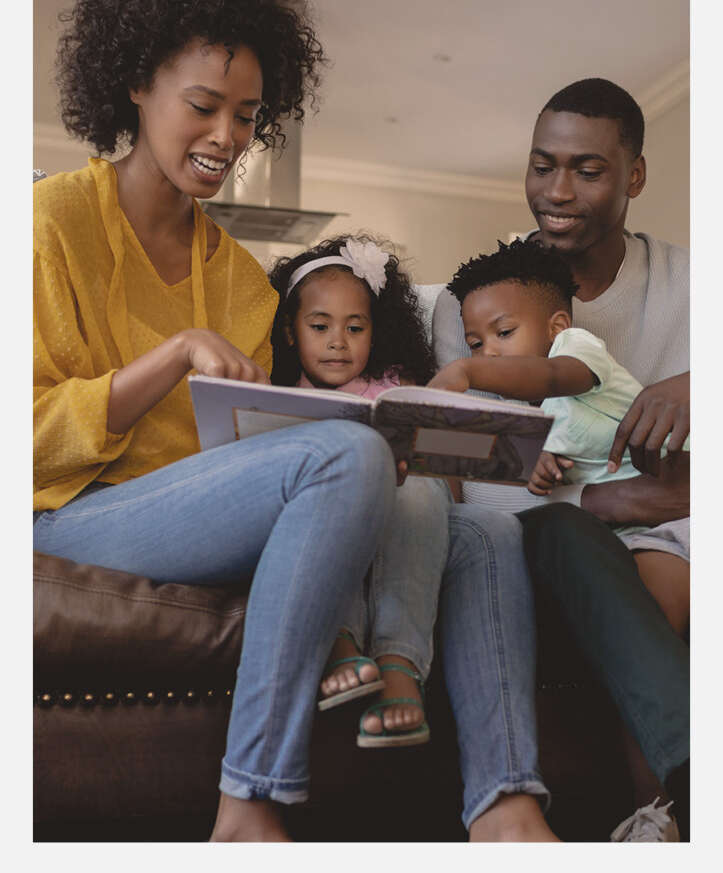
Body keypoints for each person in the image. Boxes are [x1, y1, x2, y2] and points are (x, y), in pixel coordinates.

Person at [32, 0, 401, 842]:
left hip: (193, 515)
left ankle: (495, 801)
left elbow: (244, 453)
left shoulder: (241, 280)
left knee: (426, 504)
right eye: (203, 107)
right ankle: (249, 803)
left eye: (246, 116)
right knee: (345, 455)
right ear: (133, 86)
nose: (227, 140)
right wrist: (172, 357)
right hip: (71, 511)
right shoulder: (51, 223)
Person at [432, 77, 689, 841]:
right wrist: (602, 502)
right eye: (542, 165)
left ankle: (665, 816)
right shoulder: (474, 308)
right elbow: (468, 485)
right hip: (558, 531)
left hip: (677, 527)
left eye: (586, 168)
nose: (556, 190)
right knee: (627, 576)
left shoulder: (691, 286)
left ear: (633, 176)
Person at [267, 233, 450, 747]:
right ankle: (339, 639)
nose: (337, 342)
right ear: (289, 330)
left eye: (355, 327)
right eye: (319, 326)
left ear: (377, 331)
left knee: (418, 489)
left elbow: (445, 474)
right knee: (331, 494)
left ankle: (398, 662)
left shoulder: (396, 389)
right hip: (332, 514)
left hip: (404, 510)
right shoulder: (276, 397)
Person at [431, 236, 690, 558]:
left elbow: (552, 377)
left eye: (504, 332)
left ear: (557, 327)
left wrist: (467, 371)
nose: (489, 353)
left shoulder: (576, 348)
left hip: (683, 501)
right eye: (475, 344)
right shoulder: (516, 412)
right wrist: (541, 466)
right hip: (623, 532)